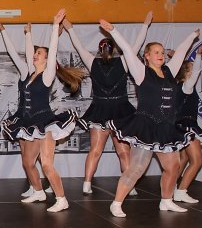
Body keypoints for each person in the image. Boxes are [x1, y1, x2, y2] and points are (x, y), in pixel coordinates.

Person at [101, 20, 199, 217]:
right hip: (146, 126)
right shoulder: (141, 72)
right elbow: (127, 51)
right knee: (136, 168)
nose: (161, 55)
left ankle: (166, 201)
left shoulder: (170, 72)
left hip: (166, 127)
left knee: (173, 166)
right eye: (156, 52)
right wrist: (114, 31)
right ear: (147, 56)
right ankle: (116, 203)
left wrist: (191, 36)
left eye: (162, 52)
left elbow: (180, 52)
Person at [0, 12, 83, 210]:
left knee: (46, 164)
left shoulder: (47, 75)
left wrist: (55, 27)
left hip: (46, 123)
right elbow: (28, 54)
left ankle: (61, 199)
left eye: (39, 53)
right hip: (30, 123)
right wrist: (26, 34)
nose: (35, 55)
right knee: (28, 162)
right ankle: (38, 191)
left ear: (46, 60)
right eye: (35, 53)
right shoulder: (30, 76)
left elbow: (52, 53)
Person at [63, 12, 151, 196]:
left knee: (96, 150)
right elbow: (135, 46)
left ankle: (87, 183)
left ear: (100, 49)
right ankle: (129, 186)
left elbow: (79, 47)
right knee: (123, 152)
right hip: (120, 111)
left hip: (101, 110)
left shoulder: (92, 61)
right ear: (114, 49)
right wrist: (145, 25)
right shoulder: (124, 61)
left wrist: (70, 29)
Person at [174, 45, 202, 204]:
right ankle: (181, 191)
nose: (194, 70)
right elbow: (196, 71)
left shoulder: (177, 86)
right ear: (187, 73)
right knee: (196, 162)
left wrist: (175, 56)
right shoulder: (187, 87)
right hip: (187, 127)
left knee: (183, 159)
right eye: (191, 68)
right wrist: (198, 55)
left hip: (179, 125)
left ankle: (171, 188)